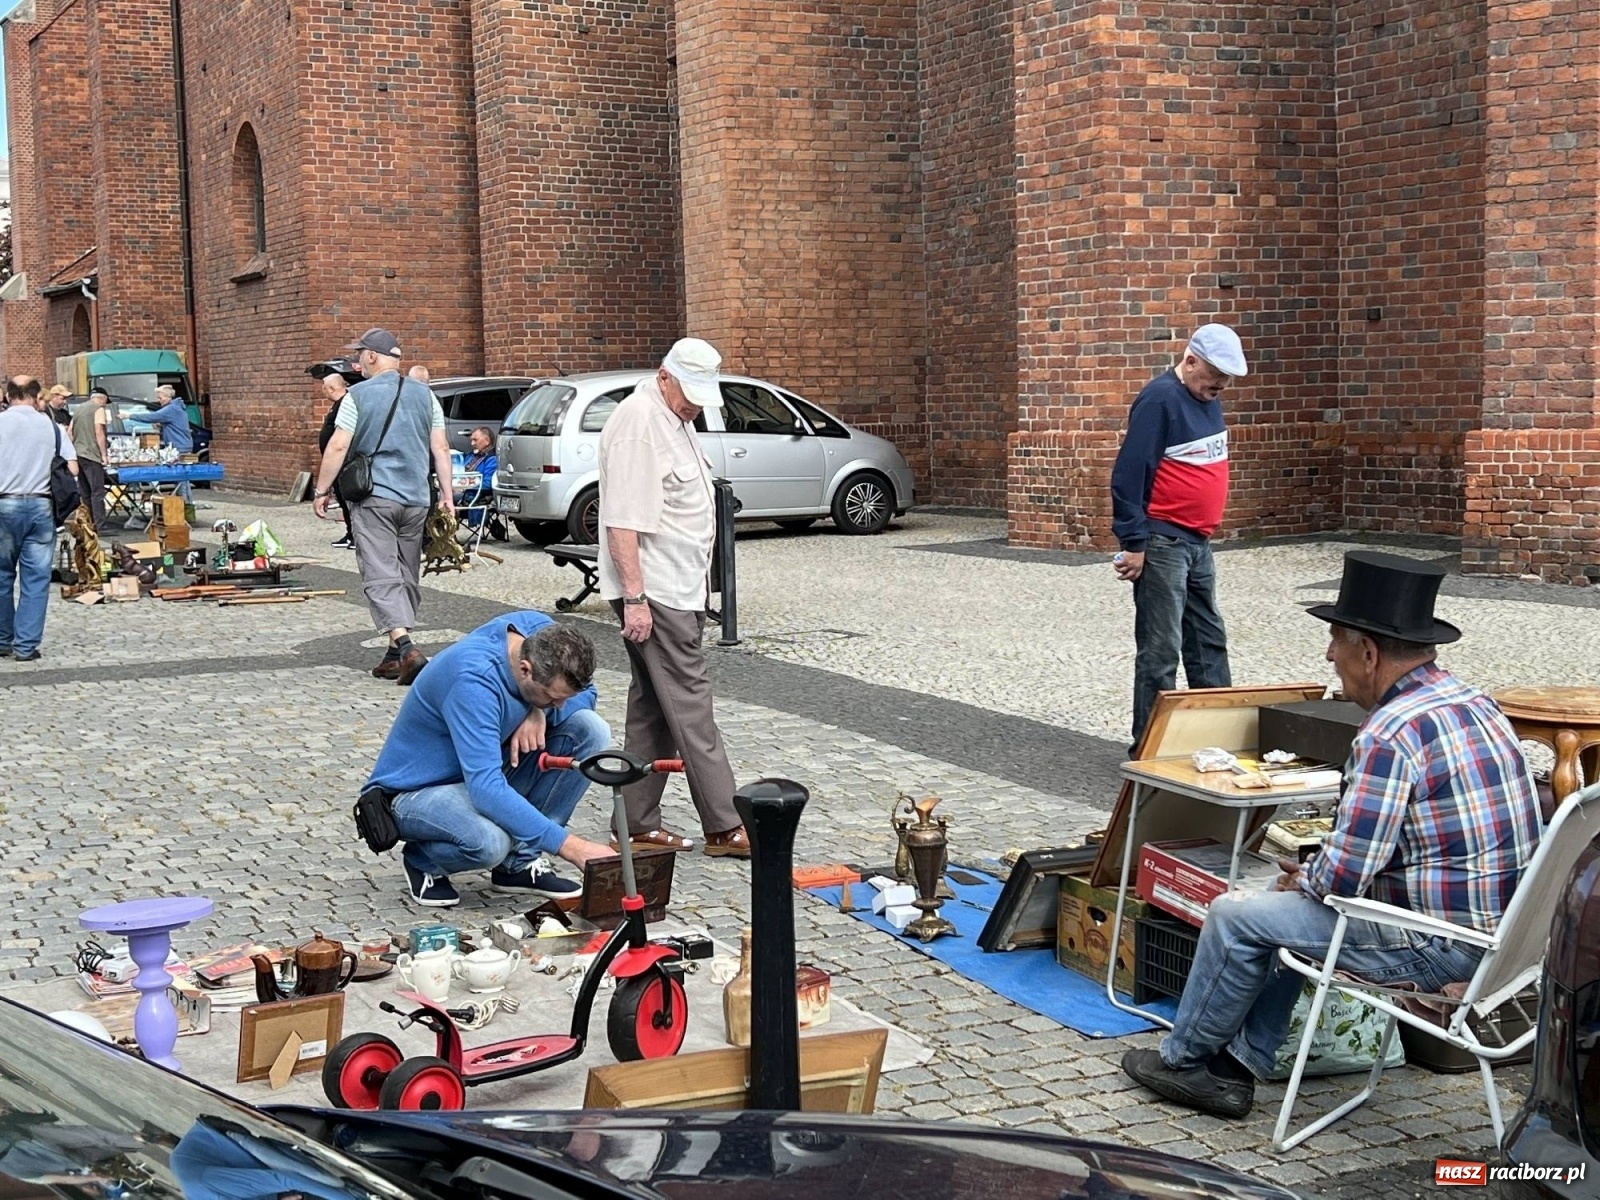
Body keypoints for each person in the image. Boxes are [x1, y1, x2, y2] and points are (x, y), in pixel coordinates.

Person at [1121, 551, 1542, 1119]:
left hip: (1438, 945)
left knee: (1235, 913)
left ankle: (1185, 1062)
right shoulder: (1475, 703)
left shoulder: (1390, 732)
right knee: (1284, 909)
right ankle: (1236, 1068)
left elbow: (1343, 877)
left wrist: (1306, 878)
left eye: (1336, 640)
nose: (1328, 655)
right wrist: (1312, 880)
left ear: (1367, 652)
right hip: (1509, 937)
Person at [597, 337, 749, 859]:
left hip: (675, 587)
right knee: (689, 700)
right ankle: (727, 824)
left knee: (655, 706)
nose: (697, 404)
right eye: (690, 392)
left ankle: (635, 823)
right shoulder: (640, 423)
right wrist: (635, 598)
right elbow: (621, 521)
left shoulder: (672, 417)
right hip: (656, 590)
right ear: (665, 376)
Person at [366, 611, 614, 907]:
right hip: (414, 793)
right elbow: (486, 789)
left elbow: (587, 695)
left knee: (590, 729)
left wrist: (540, 710)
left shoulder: (540, 633)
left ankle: (517, 865)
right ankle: (423, 861)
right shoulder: (472, 681)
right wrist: (571, 847)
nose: (562, 704)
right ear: (525, 670)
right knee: (489, 842)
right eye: (551, 696)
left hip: (477, 776)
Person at [1111, 323, 1246, 750]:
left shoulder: (1206, 398)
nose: (1221, 384)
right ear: (1189, 362)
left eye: (1227, 378)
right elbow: (1130, 474)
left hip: (1196, 542)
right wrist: (1134, 543)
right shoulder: (1160, 399)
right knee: (1161, 647)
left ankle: (1220, 737)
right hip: (1164, 542)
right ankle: (1150, 747)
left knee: (1208, 639)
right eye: (1215, 374)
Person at [311, 327, 455, 685]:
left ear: (372, 356)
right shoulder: (427, 396)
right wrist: (448, 495)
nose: (358, 359)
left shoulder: (356, 396)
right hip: (417, 498)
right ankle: (394, 656)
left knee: (379, 571)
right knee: (406, 571)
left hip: (376, 496)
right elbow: (440, 449)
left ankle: (405, 646)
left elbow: (339, 447)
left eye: (360, 353)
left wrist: (321, 490)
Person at [0, 377, 77, 662]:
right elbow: (73, 467)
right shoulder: (53, 428)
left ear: (8, 396)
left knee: (1, 575)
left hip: (3, 503)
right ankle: (25, 645)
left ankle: (2, 639)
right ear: (35, 396)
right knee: (36, 579)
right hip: (40, 506)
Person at [127, 384, 195, 499]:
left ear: (168, 396)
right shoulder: (175, 408)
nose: (159, 401)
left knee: (181, 480)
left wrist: (129, 416)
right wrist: (162, 425)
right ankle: (184, 505)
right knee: (181, 479)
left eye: (160, 397)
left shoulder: (171, 409)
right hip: (181, 445)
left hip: (179, 447)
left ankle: (185, 506)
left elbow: (153, 416)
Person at [314, 369, 355, 549]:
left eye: (324, 389)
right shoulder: (337, 404)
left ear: (331, 388)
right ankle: (350, 533)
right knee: (342, 499)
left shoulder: (345, 403)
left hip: (344, 462)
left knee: (348, 500)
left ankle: (355, 535)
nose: (324, 392)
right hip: (337, 463)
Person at [68, 387, 110, 530]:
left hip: (78, 454)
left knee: (85, 491)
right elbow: (99, 432)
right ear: (102, 398)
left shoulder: (78, 409)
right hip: (92, 455)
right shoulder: (98, 409)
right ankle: (100, 525)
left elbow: (70, 431)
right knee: (97, 491)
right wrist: (103, 454)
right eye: (105, 402)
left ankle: (87, 523)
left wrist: (72, 450)